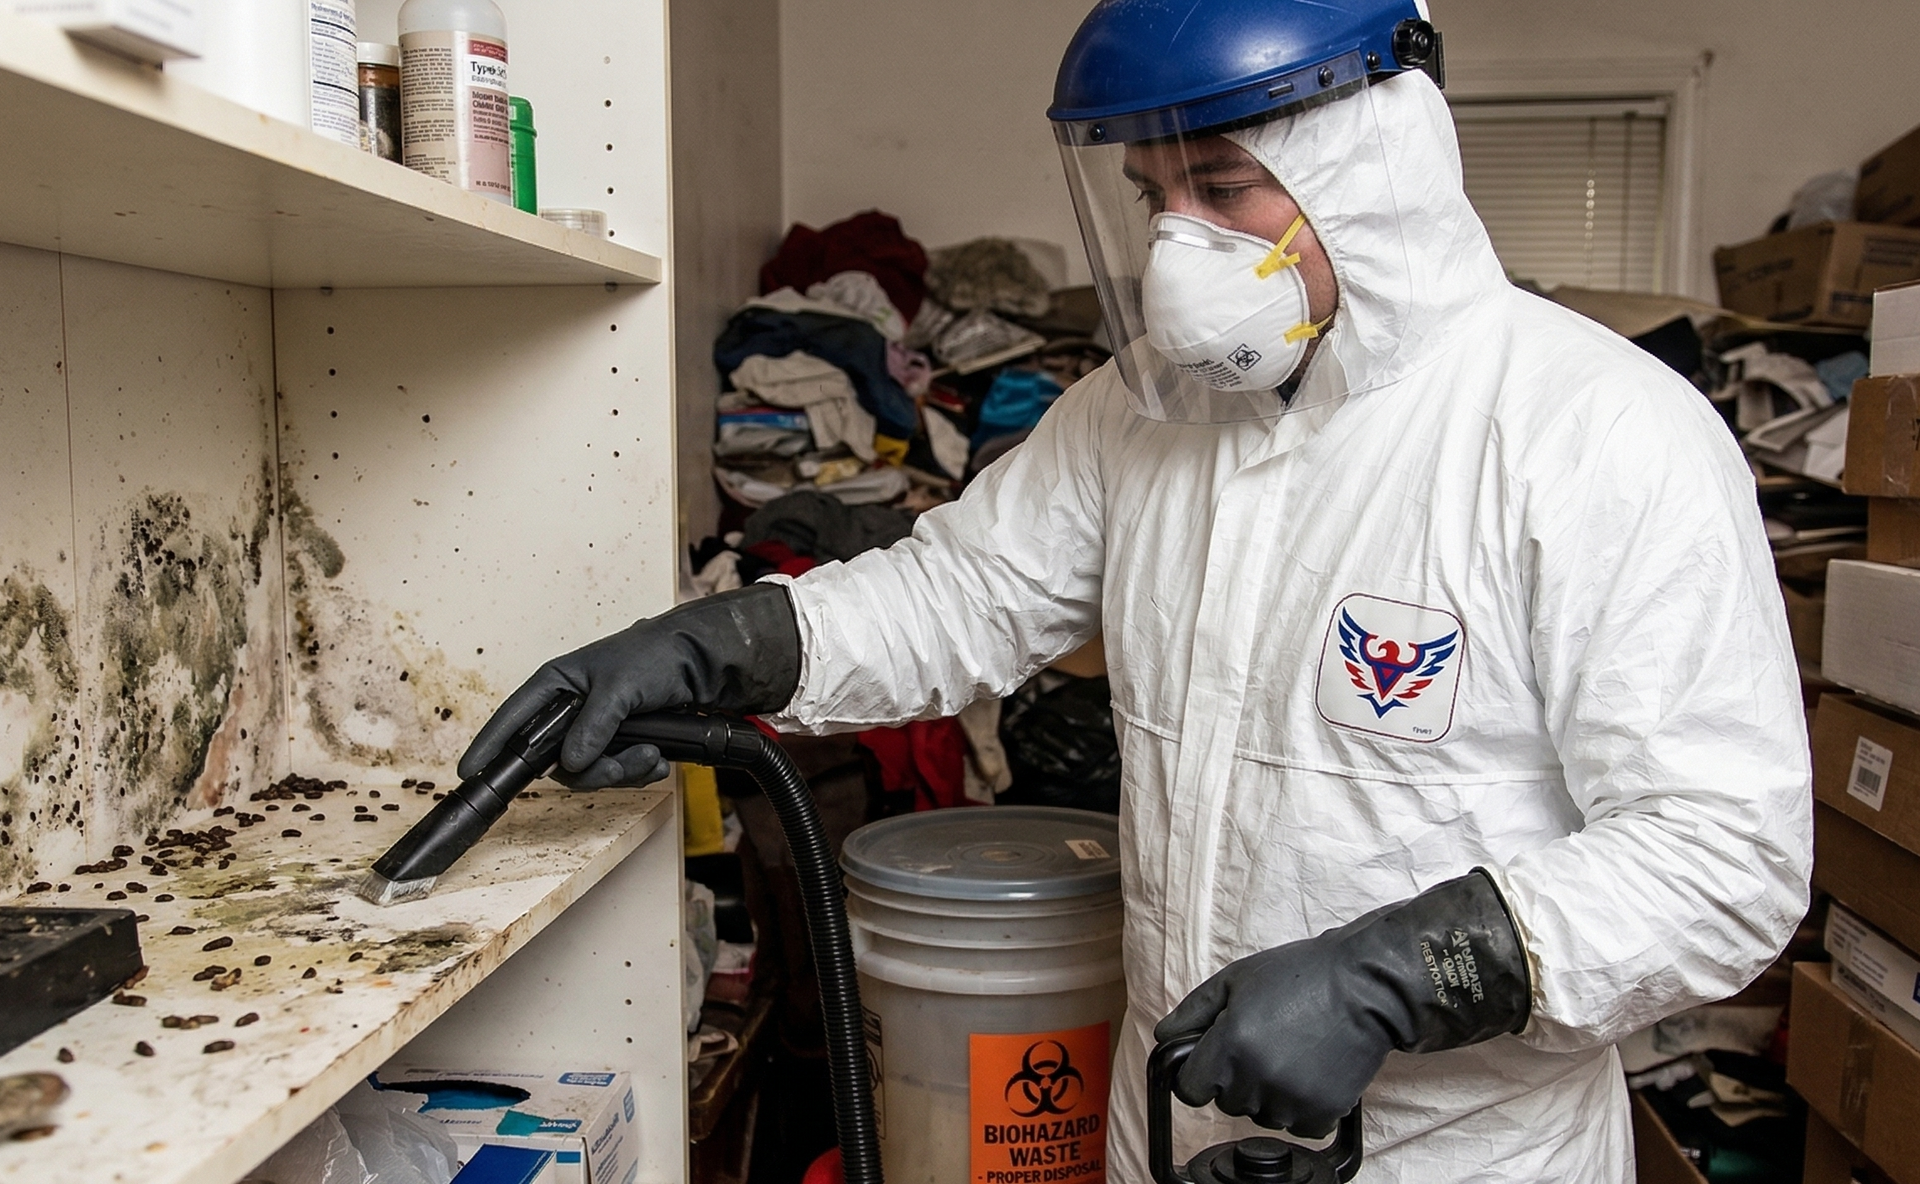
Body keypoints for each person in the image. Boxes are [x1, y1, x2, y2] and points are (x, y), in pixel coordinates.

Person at [459, 1, 1812, 1179]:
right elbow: (961, 598)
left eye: (1225, 191)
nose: (1180, 247)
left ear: (1368, 170)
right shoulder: (1139, 416)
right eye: (1155, 198)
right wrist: (716, 648)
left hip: (1446, 1154)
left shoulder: (1597, 435)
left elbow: (1722, 858)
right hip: (1168, 1126)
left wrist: (1402, 978)